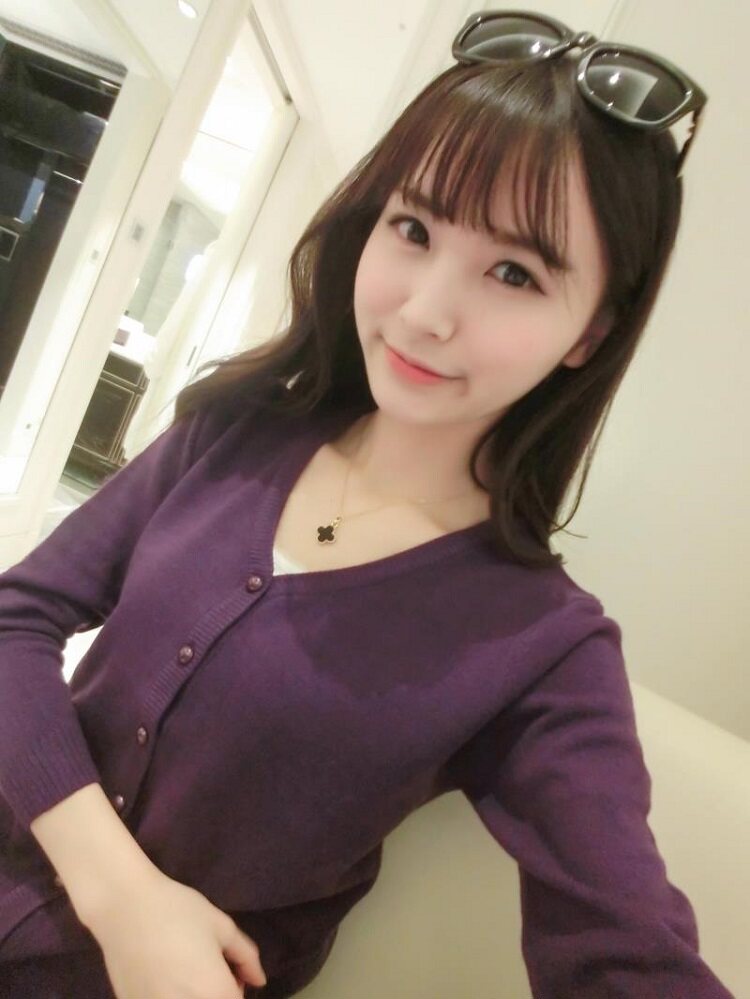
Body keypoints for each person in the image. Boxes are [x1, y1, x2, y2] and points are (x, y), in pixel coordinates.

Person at [0, 9, 735, 999]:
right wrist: (122, 896)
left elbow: (626, 949)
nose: (424, 311)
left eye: (514, 272)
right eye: (414, 228)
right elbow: (16, 617)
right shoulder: (236, 433)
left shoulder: (543, 649)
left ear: (590, 333)